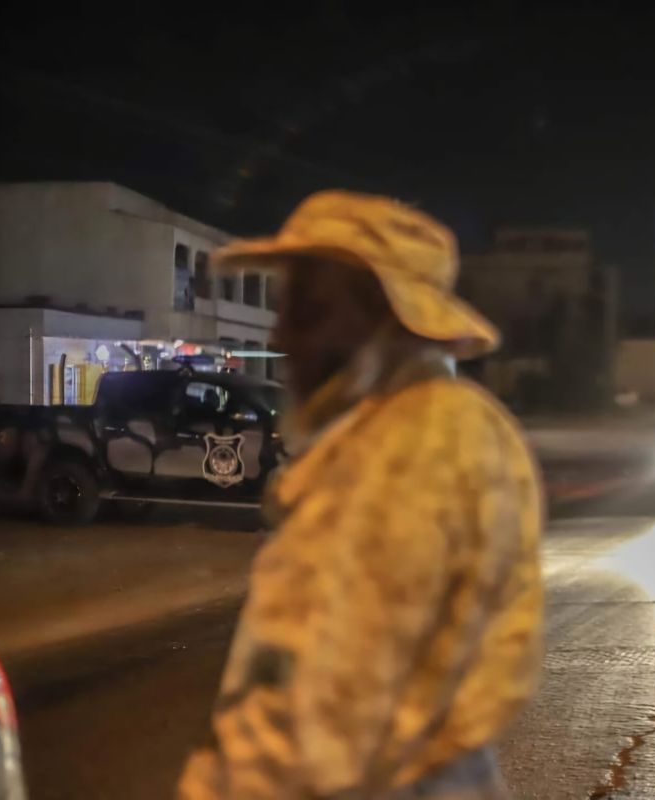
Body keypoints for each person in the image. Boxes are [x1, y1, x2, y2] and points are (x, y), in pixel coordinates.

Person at [178, 191, 543, 800]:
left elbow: (330, 718)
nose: (282, 333)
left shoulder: (418, 442)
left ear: (383, 315)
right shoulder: (405, 429)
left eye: (309, 309)